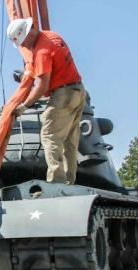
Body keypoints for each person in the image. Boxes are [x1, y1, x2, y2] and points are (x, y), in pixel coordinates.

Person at [7, 17, 86, 185]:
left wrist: (24, 106)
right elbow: (55, 68)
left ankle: (56, 182)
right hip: (78, 90)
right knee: (69, 141)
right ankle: (69, 181)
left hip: (63, 94)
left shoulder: (41, 51)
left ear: (30, 32)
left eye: (24, 42)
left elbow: (43, 86)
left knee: (50, 135)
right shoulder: (52, 36)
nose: (24, 46)